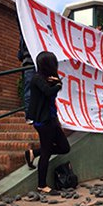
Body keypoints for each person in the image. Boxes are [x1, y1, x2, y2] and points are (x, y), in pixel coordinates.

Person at [24, 51, 71, 193]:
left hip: (52, 118)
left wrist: (56, 83)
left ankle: (33, 153)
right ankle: (42, 185)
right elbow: (48, 92)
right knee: (46, 152)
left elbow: (51, 95)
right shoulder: (37, 78)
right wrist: (58, 84)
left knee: (64, 147)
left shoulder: (48, 78)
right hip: (43, 121)